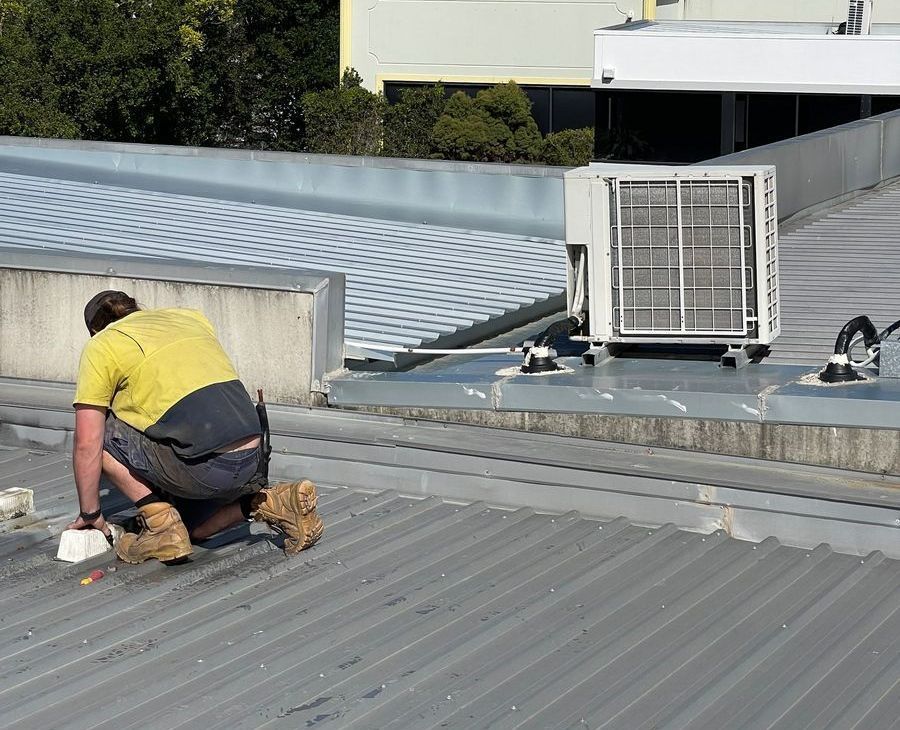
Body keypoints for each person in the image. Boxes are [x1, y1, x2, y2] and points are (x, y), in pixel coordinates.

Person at [67, 290, 324, 564]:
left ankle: (158, 523)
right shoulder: (188, 318)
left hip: (204, 468)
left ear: (96, 329)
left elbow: (86, 442)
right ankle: (269, 503)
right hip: (251, 457)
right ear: (135, 310)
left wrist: (91, 513)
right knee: (191, 530)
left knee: (99, 433)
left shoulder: (103, 344)